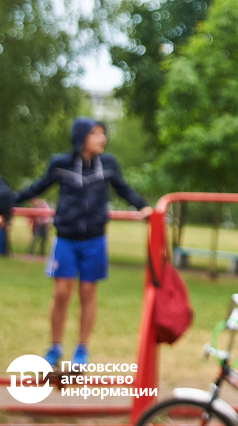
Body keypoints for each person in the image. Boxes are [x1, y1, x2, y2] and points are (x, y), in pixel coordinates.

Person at [14, 118, 152, 368]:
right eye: (96, 134)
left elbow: (124, 189)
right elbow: (38, 187)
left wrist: (143, 206)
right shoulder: (61, 164)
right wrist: (9, 202)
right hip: (66, 238)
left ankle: (81, 350)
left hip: (94, 240)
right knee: (61, 294)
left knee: (88, 293)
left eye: (103, 134)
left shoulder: (107, 164)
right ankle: (55, 347)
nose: (103, 139)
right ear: (81, 137)